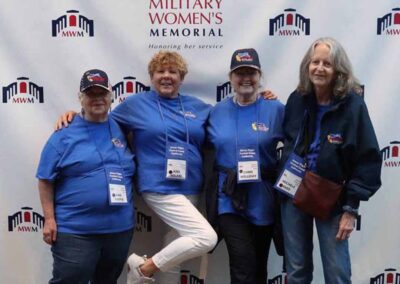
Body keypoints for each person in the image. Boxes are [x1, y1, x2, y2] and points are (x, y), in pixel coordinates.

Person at [56, 51, 218, 284]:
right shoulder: (136, 104)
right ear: (151, 77)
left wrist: (263, 98)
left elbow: (226, 121)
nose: (166, 76)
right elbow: (101, 118)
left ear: (182, 78)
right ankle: (143, 268)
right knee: (205, 237)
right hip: (157, 186)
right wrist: (75, 114)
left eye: (173, 72)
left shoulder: (198, 107)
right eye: (160, 71)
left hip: (191, 186)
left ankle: (146, 271)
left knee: (176, 254)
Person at [279, 37, 382, 283]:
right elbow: (288, 140)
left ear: (338, 70)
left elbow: (367, 159)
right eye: (315, 62)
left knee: (337, 273)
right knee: (296, 271)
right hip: (294, 193)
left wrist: (351, 208)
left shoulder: (353, 105)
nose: (320, 68)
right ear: (307, 66)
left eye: (327, 63)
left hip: (333, 198)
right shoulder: (297, 99)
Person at [36, 69, 135, 284]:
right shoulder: (64, 133)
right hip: (76, 231)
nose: (97, 99)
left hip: (119, 229)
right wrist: (49, 219)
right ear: (81, 98)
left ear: (111, 96)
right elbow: (45, 179)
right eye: (91, 94)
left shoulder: (123, 127)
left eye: (102, 93)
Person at [206, 48, 285, 284]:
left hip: (264, 198)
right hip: (229, 199)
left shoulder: (276, 109)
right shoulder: (216, 112)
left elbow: (296, 145)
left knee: (259, 265)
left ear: (259, 76)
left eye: (251, 72)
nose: (246, 78)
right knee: (242, 262)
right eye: (239, 73)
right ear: (231, 78)